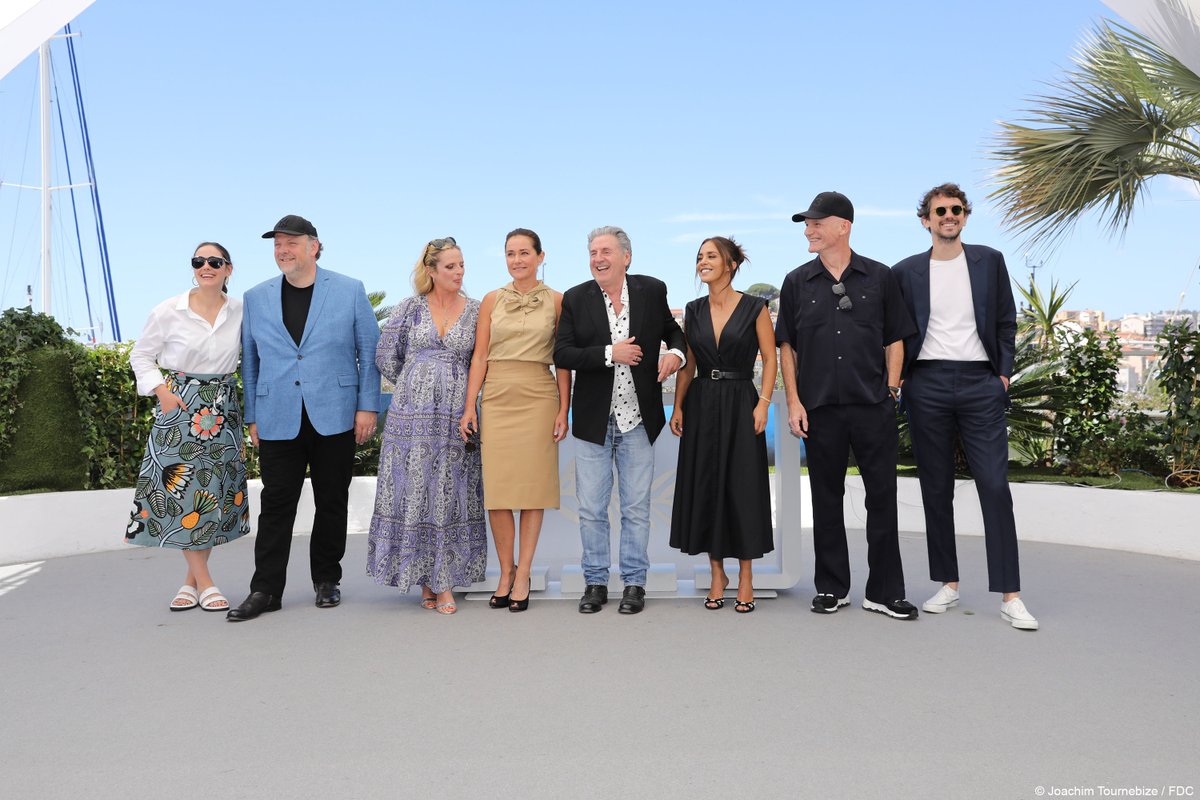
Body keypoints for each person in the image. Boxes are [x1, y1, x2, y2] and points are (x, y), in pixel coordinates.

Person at [892, 182, 1038, 631]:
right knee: (936, 488)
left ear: (965, 216)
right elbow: (894, 332)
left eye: (956, 210)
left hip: (980, 382)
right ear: (926, 220)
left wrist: (1002, 375)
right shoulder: (906, 271)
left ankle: (1011, 595)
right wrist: (899, 382)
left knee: (995, 485)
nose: (948, 216)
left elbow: (1006, 320)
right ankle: (948, 584)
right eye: (940, 211)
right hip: (927, 382)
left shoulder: (989, 261)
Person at [227, 215, 380, 621]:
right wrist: (253, 417)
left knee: (332, 499)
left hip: (336, 413)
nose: (282, 250)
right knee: (276, 503)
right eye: (277, 243)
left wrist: (368, 406)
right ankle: (265, 590)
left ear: (314, 246)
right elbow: (251, 361)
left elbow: (371, 353)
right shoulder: (256, 297)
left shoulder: (349, 290)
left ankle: (327, 579)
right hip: (278, 415)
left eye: (291, 242)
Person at [775, 192, 919, 621]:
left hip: (873, 405)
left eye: (817, 222)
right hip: (819, 409)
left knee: (883, 499)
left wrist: (891, 389)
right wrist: (795, 401)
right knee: (825, 499)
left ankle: (885, 591)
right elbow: (788, 346)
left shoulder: (880, 277)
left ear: (844, 226)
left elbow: (895, 338)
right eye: (806, 223)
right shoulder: (797, 281)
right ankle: (832, 588)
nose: (809, 229)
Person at [555, 225, 687, 615]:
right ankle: (595, 583)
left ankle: (634, 584)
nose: (598, 258)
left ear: (626, 257)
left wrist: (675, 356)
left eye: (606, 251)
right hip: (595, 422)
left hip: (638, 421)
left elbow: (674, 333)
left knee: (636, 508)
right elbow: (563, 353)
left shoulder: (652, 290)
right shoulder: (576, 298)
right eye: (593, 251)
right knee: (592, 509)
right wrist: (610, 353)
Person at [125, 242, 250, 612]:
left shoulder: (243, 312)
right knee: (180, 490)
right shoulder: (168, 310)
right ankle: (207, 583)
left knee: (208, 494)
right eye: (199, 261)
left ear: (229, 269)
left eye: (214, 261)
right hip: (180, 407)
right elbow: (141, 355)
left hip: (223, 409)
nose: (205, 266)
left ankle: (190, 582)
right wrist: (161, 390)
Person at [368, 237, 486, 615]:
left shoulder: (477, 310)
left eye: (461, 265)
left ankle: (445, 579)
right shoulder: (409, 308)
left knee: (449, 490)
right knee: (414, 490)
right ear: (431, 271)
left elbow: (483, 359)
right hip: (410, 418)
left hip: (455, 414)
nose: (458, 272)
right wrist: (417, 381)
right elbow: (386, 356)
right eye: (450, 266)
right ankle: (425, 580)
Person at [459, 228, 569, 613]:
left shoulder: (558, 300)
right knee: (500, 489)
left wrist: (563, 408)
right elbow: (479, 357)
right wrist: (470, 405)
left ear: (541, 256)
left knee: (533, 489)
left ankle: (525, 575)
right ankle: (506, 571)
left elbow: (564, 360)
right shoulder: (491, 300)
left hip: (540, 394)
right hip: (498, 395)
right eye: (511, 253)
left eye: (525, 252)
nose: (517, 259)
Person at [669, 237, 777, 613]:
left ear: (730, 264)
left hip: (741, 402)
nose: (703, 262)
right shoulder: (694, 310)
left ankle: (746, 575)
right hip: (702, 404)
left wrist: (763, 403)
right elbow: (690, 364)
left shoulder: (755, 307)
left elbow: (770, 357)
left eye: (711, 256)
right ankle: (718, 574)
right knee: (708, 487)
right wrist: (678, 406)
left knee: (742, 487)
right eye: (699, 257)